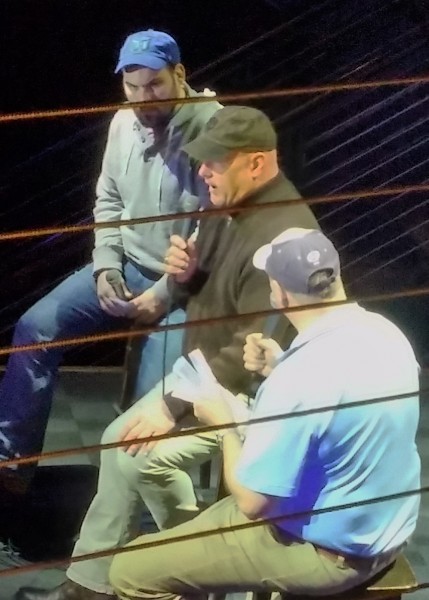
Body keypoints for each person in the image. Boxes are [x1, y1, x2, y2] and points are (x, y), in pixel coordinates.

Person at [16, 107, 320, 600]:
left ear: (257, 164)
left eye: (215, 163)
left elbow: (250, 354)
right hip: (201, 376)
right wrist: (184, 277)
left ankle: (142, 573)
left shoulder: (282, 237)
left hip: (247, 398)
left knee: (129, 447)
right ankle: (105, 580)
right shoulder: (226, 202)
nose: (202, 172)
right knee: (126, 446)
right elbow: (204, 291)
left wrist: (171, 405)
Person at [98, 227, 421, 599]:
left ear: (281, 294)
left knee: (130, 571)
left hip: (330, 554)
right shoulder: (386, 334)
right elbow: (343, 402)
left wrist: (223, 424)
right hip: (387, 529)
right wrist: (280, 364)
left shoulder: (299, 380)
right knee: (194, 534)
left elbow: (253, 503)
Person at [0, 29, 221, 492]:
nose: (143, 98)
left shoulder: (215, 129)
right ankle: (12, 471)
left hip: (186, 286)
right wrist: (105, 265)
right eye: (132, 87)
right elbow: (109, 199)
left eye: (155, 85)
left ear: (179, 74)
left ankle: (138, 518)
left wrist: (164, 295)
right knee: (33, 331)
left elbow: (216, 227)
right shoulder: (124, 121)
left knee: (148, 409)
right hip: (128, 266)